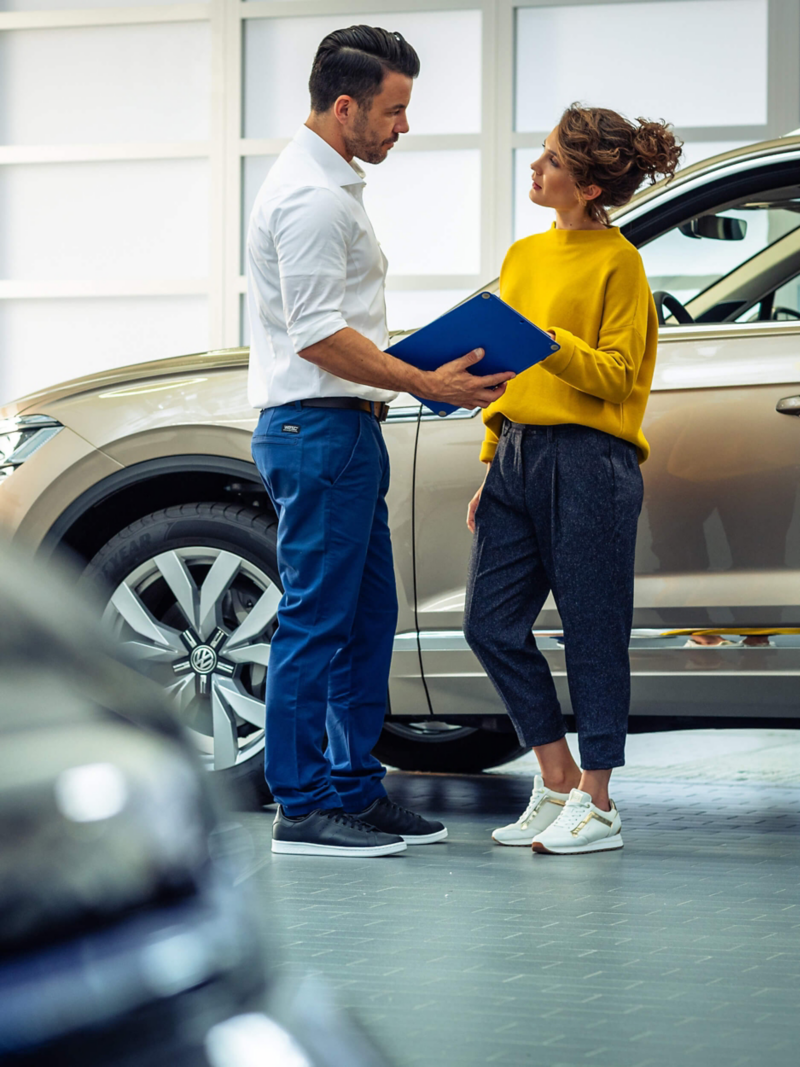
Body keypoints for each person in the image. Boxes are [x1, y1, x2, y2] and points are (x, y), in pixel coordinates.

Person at [247, 25, 514, 857]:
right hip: (318, 429)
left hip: (346, 430)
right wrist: (429, 382)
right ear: (344, 106)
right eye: (394, 111)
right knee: (317, 619)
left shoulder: (332, 186)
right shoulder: (313, 199)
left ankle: (355, 789)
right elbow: (319, 336)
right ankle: (301, 804)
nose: (403, 126)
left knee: (367, 618)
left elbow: (338, 328)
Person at [463, 104, 682, 855]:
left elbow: (618, 378)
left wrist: (549, 344)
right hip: (517, 455)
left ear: (588, 186)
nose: (537, 167)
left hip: (591, 460)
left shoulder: (622, 264)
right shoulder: (524, 256)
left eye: (552, 159)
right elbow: (502, 370)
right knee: (488, 623)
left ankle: (600, 799)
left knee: (592, 631)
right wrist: (492, 458)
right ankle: (554, 774)